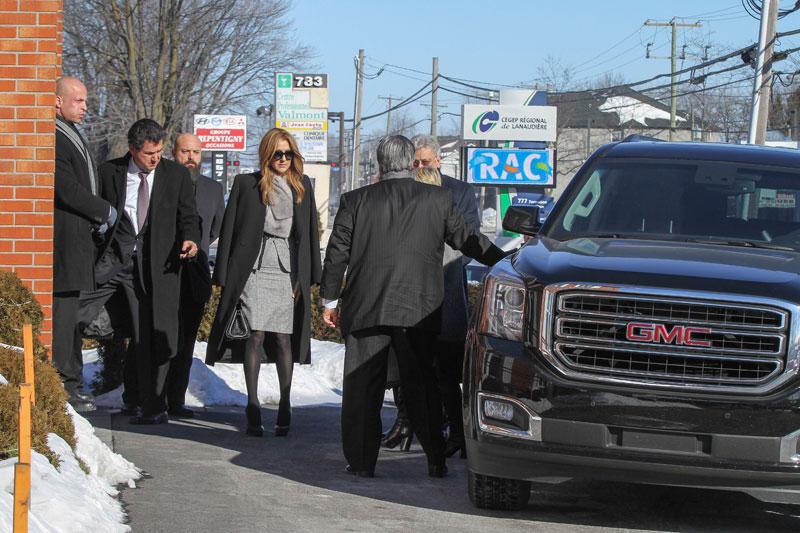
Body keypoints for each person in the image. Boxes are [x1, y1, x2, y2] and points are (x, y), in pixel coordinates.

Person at [320, 135, 504, 478]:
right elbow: (469, 240)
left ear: (379, 164)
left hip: (366, 308)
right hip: (419, 310)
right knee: (421, 385)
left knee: (363, 387)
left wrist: (330, 300)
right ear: (409, 163)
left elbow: (336, 255)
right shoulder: (437, 199)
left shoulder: (355, 200)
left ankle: (361, 462)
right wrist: (506, 261)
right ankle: (435, 458)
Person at [79, 118, 200, 424]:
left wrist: (190, 239)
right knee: (73, 313)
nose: (155, 158)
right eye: (149, 153)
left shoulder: (175, 176)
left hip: (153, 267)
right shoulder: (109, 172)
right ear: (133, 150)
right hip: (111, 261)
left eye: (159, 151)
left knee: (146, 334)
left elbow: (189, 215)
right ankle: (64, 384)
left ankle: (151, 405)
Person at [205, 128, 322, 438]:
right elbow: (230, 229)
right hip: (253, 267)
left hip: (286, 268)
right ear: (267, 155)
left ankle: (285, 402)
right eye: (277, 154)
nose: (283, 159)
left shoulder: (303, 186)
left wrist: (311, 276)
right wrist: (223, 275)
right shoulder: (247, 183)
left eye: (288, 154)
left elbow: (310, 234)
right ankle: (253, 404)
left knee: (283, 336)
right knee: (254, 335)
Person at [382, 135, 481, 459]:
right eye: (416, 163)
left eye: (425, 162)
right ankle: (409, 422)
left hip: (445, 293)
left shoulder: (459, 193)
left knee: (446, 373)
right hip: (413, 298)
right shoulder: (404, 194)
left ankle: (452, 432)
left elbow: (470, 241)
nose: (420, 167)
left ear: (438, 161)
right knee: (408, 367)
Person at [53, 76, 117, 412]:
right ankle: (65, 383)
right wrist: (104, 210)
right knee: (64, 321)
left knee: (73, 320)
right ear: (57, 101)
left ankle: (72, 381)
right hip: (63, 246)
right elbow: (66, 188)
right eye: (78, 100)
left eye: (85, 100)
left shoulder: (71, 134)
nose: (85, 107)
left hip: (78, 245)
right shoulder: (54, 138)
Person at [164, 133, 225, 418]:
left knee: (186, 340)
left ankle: (176, 400)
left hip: (196, 271)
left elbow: (215, 230)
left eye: (196, 152)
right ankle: (147, 396)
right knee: (158, 336)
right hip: (164, 269)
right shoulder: (160, 181)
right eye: (185, 151)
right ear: (173, 152)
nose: (191, 157)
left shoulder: (213, 189)